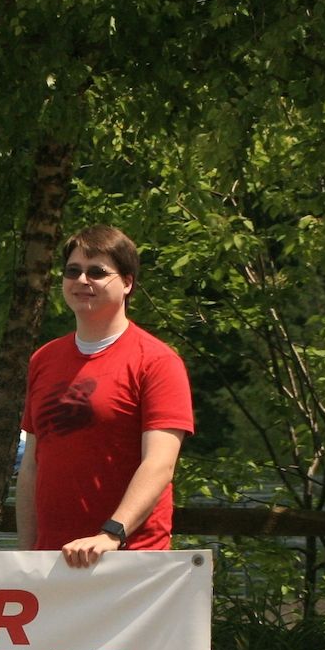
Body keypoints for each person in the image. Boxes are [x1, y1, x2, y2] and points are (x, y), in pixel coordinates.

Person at [17, 224, 195, 568]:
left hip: (129, 562)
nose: (82, 280)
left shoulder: (157, 361)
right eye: (73, 271)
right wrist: (27, 553)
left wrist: (111, 534)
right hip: (51, 564)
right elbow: (31, 466)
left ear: (127, 283)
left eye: (97, 272)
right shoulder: (44, 359)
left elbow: (160, 464)